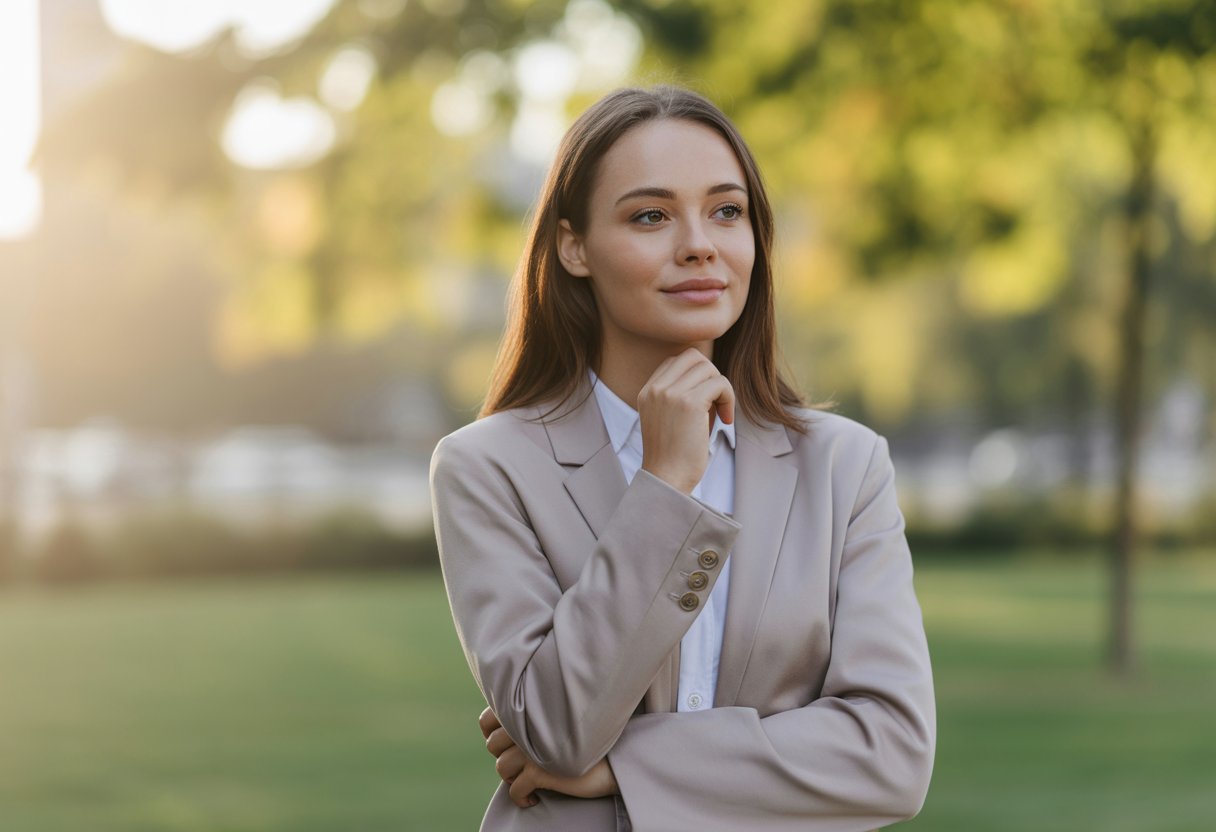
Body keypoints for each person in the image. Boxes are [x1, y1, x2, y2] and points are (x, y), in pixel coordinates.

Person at [429, 85, 935, 831]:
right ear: (573, 246)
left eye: (726, 211)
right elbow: (559, 729)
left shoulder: (845, 466)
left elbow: (891, 755)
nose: (699, 243)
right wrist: (665, 485)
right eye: (650, 216)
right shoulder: (487, 467)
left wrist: (625, 771)